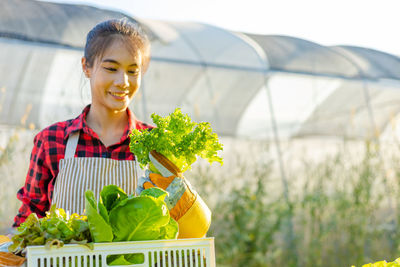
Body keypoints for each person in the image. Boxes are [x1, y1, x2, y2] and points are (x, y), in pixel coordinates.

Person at [13, 18, 211, 238]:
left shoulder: (155, 144)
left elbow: (174, 225)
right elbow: (28, 220)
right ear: (86, 67)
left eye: (133, 71)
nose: (123, 81)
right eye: (111, 68)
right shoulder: (52, 140)